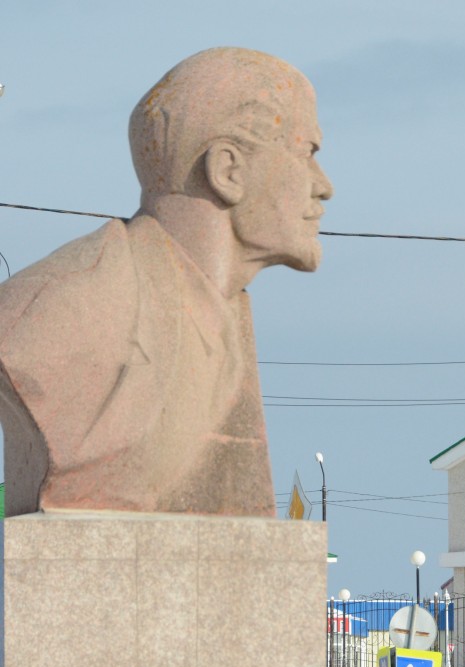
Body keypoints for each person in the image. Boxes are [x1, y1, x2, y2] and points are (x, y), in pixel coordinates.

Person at [0, 47, 333, 516]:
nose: (324, 186)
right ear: (227, 170)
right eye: (307, 153)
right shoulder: (48, 313)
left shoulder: (221, 315)